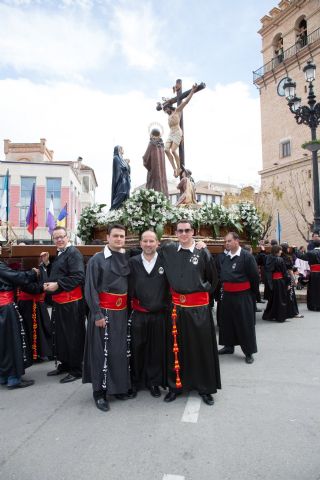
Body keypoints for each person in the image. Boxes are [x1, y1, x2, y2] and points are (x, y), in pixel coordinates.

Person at [159, 219, 221, 406]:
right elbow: (147, 249)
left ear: (193, 232)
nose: (184, 234)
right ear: (175, 233)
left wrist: (200, 297)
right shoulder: (168, 251)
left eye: (187, 230)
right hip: (177, 310)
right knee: (177, 350)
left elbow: (213, 278)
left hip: (199, 310)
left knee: (201, 349)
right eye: (180, 231)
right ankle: (175, 387)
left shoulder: (203, 252)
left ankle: (205, 388)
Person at [83, 224, 131, 412]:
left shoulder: (126, 257)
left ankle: (118, 388)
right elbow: (90, 288)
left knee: (119, 352)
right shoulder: (97, 259)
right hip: (104, 313)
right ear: (108, 238)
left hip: (122, 313)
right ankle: (99, 393)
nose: (119, 239)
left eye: (122, 236)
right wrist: (97, 314)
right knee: (100, 353)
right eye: (116, 236)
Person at [41, 227, 86, 383]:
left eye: (62, 237)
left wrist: (57, 285)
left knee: (73, 337)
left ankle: (76, 369)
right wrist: (47, 264)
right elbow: (58, 274)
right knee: (62, 336)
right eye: (56, 238)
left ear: (68, 238)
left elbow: (79, 276)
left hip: (72, 302)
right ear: (53, 240)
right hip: (61, 302)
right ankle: (66, 364)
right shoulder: (61, 254)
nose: (59, 240)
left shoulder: (73, 253)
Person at [128, 230, 169, 398]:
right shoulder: (132, 262)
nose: (148, 244)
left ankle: (153, 382)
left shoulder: (165, 261)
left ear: (158, 243)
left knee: (155, 349)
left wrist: (200, 245)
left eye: (152, 241)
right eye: (145, 241)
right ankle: (136, 382)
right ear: (140, 243)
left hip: (159, 315)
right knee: (137, 348)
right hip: (138, 314)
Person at [217, 232, 259, 364]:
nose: (227, 243)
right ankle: (229, 346)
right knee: (226, 322)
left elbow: (254, 277)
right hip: (227, 295)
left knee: (244, 323)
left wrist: (252, 294)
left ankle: (248, 352)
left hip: (242, 295)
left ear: (237, 241)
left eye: (229, 241)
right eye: (226, 241)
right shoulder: (224, 257)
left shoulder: (246, 257)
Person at [0, 246, 38, 389]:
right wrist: (33, 273)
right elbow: (17, 277)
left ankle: (4, 375)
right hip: (5, 308)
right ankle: (13, 378)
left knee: (2, 343)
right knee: (11, 342)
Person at [17, 261, 52, 363]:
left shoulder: (41, 267)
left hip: (39, 304)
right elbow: (27, 286)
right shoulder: (21, 269)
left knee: (44, 327)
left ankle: (44, 352)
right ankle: (32, 354)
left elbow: (45, 281)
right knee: (30, 329)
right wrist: (41, 288)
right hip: (28, 305)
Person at [164, 84, 198, 178]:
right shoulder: (169, 116)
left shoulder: (177, 111)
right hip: (171, 133)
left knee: (173, 150)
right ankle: (174, 168)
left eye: (166, 108)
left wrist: (192, 91)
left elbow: (186, 101)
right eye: (165, 109)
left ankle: (179, 168)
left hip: (177, 132)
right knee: (166, 150)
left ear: (170, 107)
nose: (166, 110)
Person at [262, 245, 290, 323]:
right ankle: (280, 316)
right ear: (277, 251)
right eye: (280, 250)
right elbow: (284, 272)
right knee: (281, 299)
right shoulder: (279, 259)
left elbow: (267, 271)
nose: (281, 252)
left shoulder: (268, 258)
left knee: (273, 300)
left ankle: (269, 315)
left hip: (272, 281)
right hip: (280, 281)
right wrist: (288, 282)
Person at [294, 239, 320, 311]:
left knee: (313, 289)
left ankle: (314, 305)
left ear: (313, 245)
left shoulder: (310, 253)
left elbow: (301, 256)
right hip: (315, 272)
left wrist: (295, 250)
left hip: (314, 273)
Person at [143, 129, 169, 197]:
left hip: (154, 171)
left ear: (151, 134)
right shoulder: (161, 145)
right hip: (162, 172)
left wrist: (146, 164)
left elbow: (146, 159)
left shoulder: (152, 144)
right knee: (162, 186)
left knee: (153, 187)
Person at [281, 243, 303, 319]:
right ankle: (293, 313)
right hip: (287, 278)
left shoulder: (279, 257)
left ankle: (285, 312)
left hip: (281, 279)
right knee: (291, 295)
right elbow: (290, 271)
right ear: (286, 249)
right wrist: (294, 280)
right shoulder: (287, 257)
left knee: (285, 295)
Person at [110, 145, 131, 210]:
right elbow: (119, 169)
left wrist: (127, 164)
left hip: (125, 180)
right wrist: (125, 164)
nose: (123, 150)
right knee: (121, 194)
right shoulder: (116, 158)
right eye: (122, 149)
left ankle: (122, 211)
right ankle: (112, 211)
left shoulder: (122, 159)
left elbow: (128, 171)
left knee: (126, 196)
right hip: (121, 181)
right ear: (119, 150)